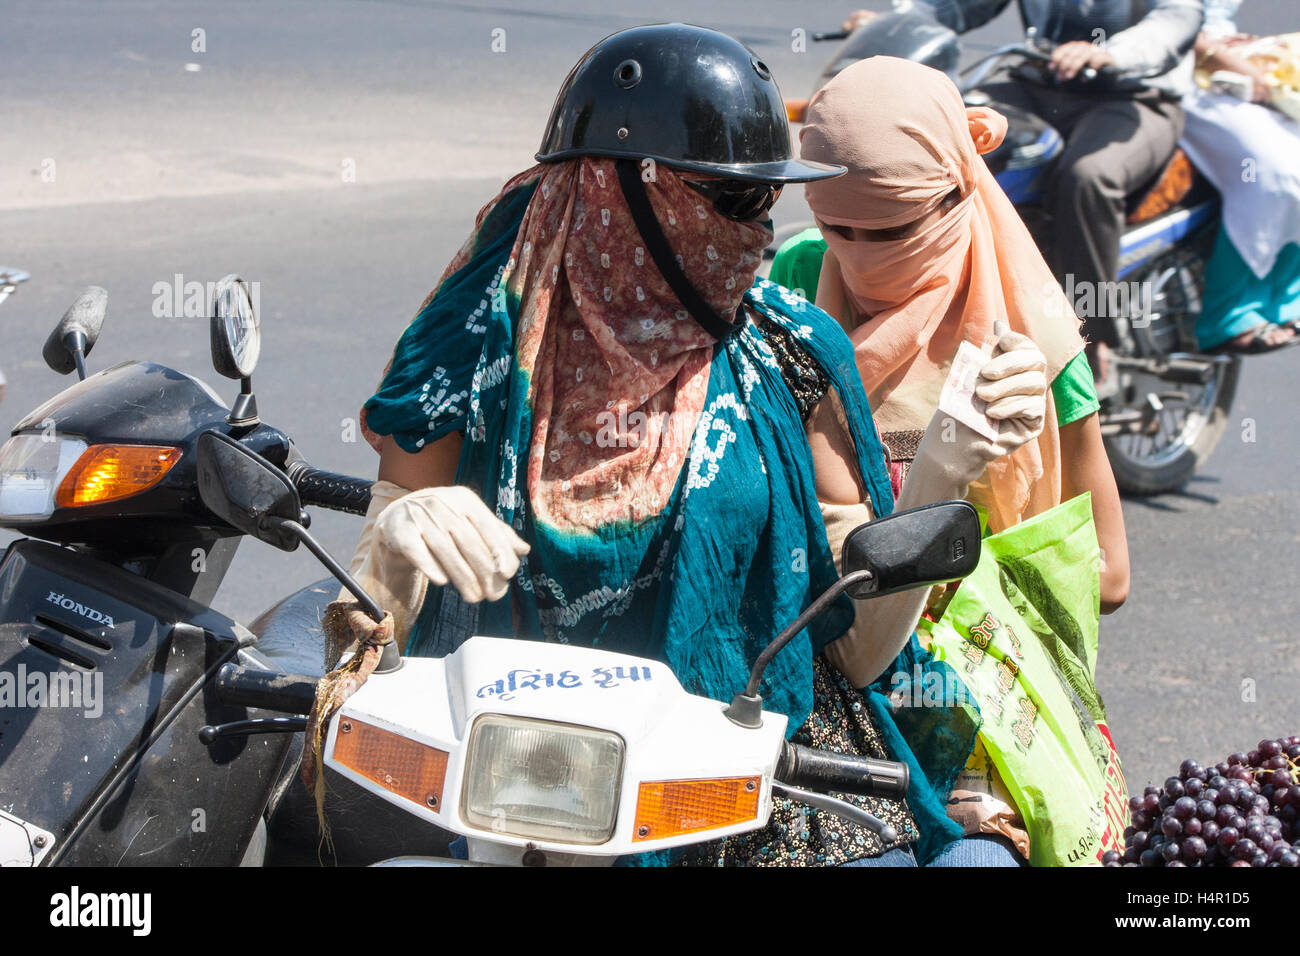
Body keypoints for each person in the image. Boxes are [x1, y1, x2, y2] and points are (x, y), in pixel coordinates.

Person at [334, 24, 1043, 866]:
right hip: (533, 785)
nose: (759, 237)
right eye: (734, 201)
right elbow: (361, 641)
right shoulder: (474, 352)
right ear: (622, 194)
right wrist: (396, 541)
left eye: (768, 203)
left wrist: (943, 469)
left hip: (767, 787)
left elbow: (852, 645)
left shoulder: (792, 353)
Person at [770, 55, 1131, 860]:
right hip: (825, 695)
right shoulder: (796, 283)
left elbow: (1107, 577)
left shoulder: (1035, 340)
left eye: (895, 231)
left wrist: (999, 488)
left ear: (958, 191)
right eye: (840, 230)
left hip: (980, 732)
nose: (862, 265)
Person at [844, 0, 1204, 384]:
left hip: (1134, 99)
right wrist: (897, 23)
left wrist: (1109, 53)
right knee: (950, 135)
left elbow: (1176, 18)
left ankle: (1094, 340)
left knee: (1087, 178)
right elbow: (954, 7)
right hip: (1040, 83)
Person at [1178, 0, 1300, 353]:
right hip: (1171, 68)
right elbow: (1162, 17)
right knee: (1274, 172)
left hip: (1224, 64)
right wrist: (1223, 57)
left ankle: (1283, 303)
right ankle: (1229, 314)